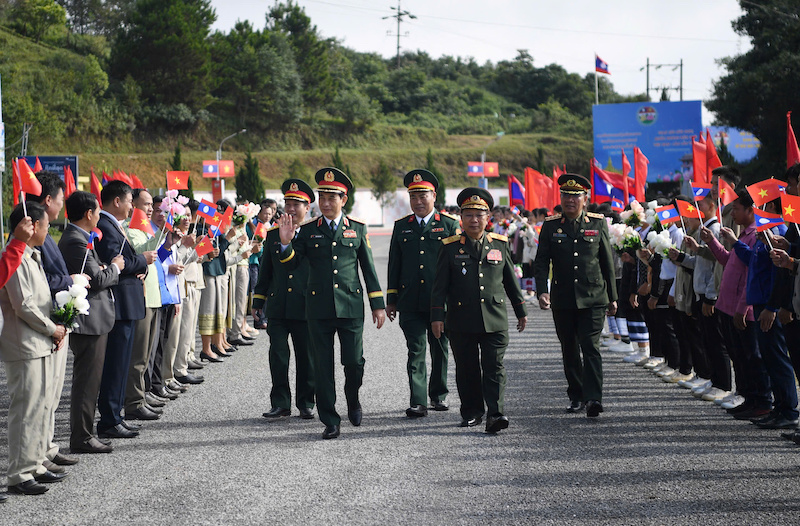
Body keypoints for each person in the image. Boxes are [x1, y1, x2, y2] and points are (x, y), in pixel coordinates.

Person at [277, 167, 386, 440]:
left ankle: (353, 398)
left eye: (331, 198)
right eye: (321, 198)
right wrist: (285, 243)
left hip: (350, 306)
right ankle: (330, 419)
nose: (325, 203)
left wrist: (378, 304)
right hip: (318, 308)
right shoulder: (308, 230)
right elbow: (291, 264)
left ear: (343, 199)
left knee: (354, 362)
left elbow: (369, 269)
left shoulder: (357, 229)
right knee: (322, 365)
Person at [431, 187, 527, 433]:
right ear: (461, 219)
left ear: (488, 218)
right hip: (461, 319)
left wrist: (521, 310)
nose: (474, 220)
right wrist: (436, 317)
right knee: (467, 368)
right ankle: (472, 411)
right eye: (469, 215)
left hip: (494, 318)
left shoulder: (500, 244)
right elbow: (439, 286)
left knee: (494, 366)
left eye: (479, 215)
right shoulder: (450, 246)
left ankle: (495, 414)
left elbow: (510, 281)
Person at [533, 173, 617, 418]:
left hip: (593, 296)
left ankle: (593, 398)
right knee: (569, 348)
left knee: (591, 346)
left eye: (575, 196)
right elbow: (541, 262)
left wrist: (613, 296)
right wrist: (542, 291)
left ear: (585, 198)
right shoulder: (550, 226)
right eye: (566, 195)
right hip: (563, 297)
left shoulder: (597, 223)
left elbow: (607, 262)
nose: (570, 200)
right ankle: (576, 394)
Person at [0, 202, 67, 495]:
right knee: (26, 408)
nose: (48, 228)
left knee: (41, 406)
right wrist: (52, 328)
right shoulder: (13, 258)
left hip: (38, 341)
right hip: (24, 341)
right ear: (30, 225)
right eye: (44, 224)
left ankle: (36, 462)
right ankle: (18, 472)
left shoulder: (32, 255)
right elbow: (23, 304)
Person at [386, 169, 460, 418]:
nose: (418, 201)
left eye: (423, 196)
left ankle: (438, 395)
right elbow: (394, 265)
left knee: (440, 348)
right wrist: (391, 299)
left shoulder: (449, 225)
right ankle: (418, 401)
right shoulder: (402, 227)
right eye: (413, 197)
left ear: (434, 196)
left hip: (441, 302)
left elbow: (458, 266)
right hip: (410, 301)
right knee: (415, 349)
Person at [28, 171, 86, 470]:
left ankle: (48, 448)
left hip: (58, 320)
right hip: (45, 322)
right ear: (47, 200)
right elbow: (40, 278)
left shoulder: (47, 231)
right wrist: (70, 279)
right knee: (40, 398)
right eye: (61, 199)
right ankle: (34, 457)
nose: (63, 204)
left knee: (52, 393)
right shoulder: (33, 234)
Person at [59, 191, 123, 454]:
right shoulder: (75, 240)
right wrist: (116, 267)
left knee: (91, 381)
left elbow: (95, 272)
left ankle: (84, 434)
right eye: (97, 211)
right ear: (88, 214)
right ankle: (82, 437)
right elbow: (96, 280)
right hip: (89, 322)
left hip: (96, 319)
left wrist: (105, 268)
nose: (99, 215)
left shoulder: (82, 238)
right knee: (86, 382)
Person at [94, 181, 155, 439]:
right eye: (130, 201)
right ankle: (109, 418)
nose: (133, 206)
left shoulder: (115, 224)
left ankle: (116, 414)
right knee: (115, 364)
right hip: (118, 304)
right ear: (117, 201)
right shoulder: (105, 226)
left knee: (122, 363)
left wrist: (141, 265)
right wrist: (142, 259)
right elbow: (113, 261)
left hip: (128, 303)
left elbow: (125, 262)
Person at [253, 178, 316, 420]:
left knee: (306, 357)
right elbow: (265, 270)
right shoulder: (272, 235)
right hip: (278, 305)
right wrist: (258, 301)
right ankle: (280, 403)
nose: (290, 209)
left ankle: (306, 402)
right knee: (278, 356)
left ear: (307, 207)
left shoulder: (313, 235)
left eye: (296, 204)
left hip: (305, 306)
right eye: (287, 203)